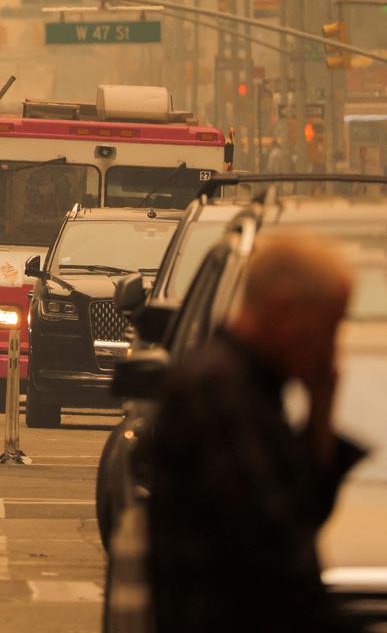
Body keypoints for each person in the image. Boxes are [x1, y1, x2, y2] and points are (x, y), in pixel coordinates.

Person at [146, 232, 364, 632]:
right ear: (283, 312)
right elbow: (275, 547)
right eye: (327, 327)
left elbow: (299, 513)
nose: (330, 349)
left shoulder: (249, 389)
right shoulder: (221, 394)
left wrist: (321, 407)